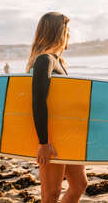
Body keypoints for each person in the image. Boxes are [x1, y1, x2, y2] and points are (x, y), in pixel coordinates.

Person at [25, 12, 88, 203]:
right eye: (67, 31)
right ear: (58, 33)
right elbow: (38, 101)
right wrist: (43, 143)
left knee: (79, 185)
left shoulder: (59, 61)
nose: (69, 36)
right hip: (52, 137)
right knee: (51, 194)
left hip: (66, 134)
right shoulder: (45, 60)